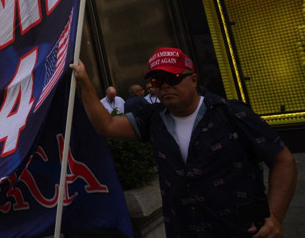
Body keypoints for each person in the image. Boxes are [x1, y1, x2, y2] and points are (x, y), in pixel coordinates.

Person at [70, 47, 297, 237]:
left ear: (194, 80)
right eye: (158, 81)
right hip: (183, 230)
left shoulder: (230, 113)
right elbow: (106, 125)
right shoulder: (153, 119)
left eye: (173, 78)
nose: (165, 86)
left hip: (240, 230)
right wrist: (84, 80)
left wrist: (275, 217)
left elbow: (283, 160)